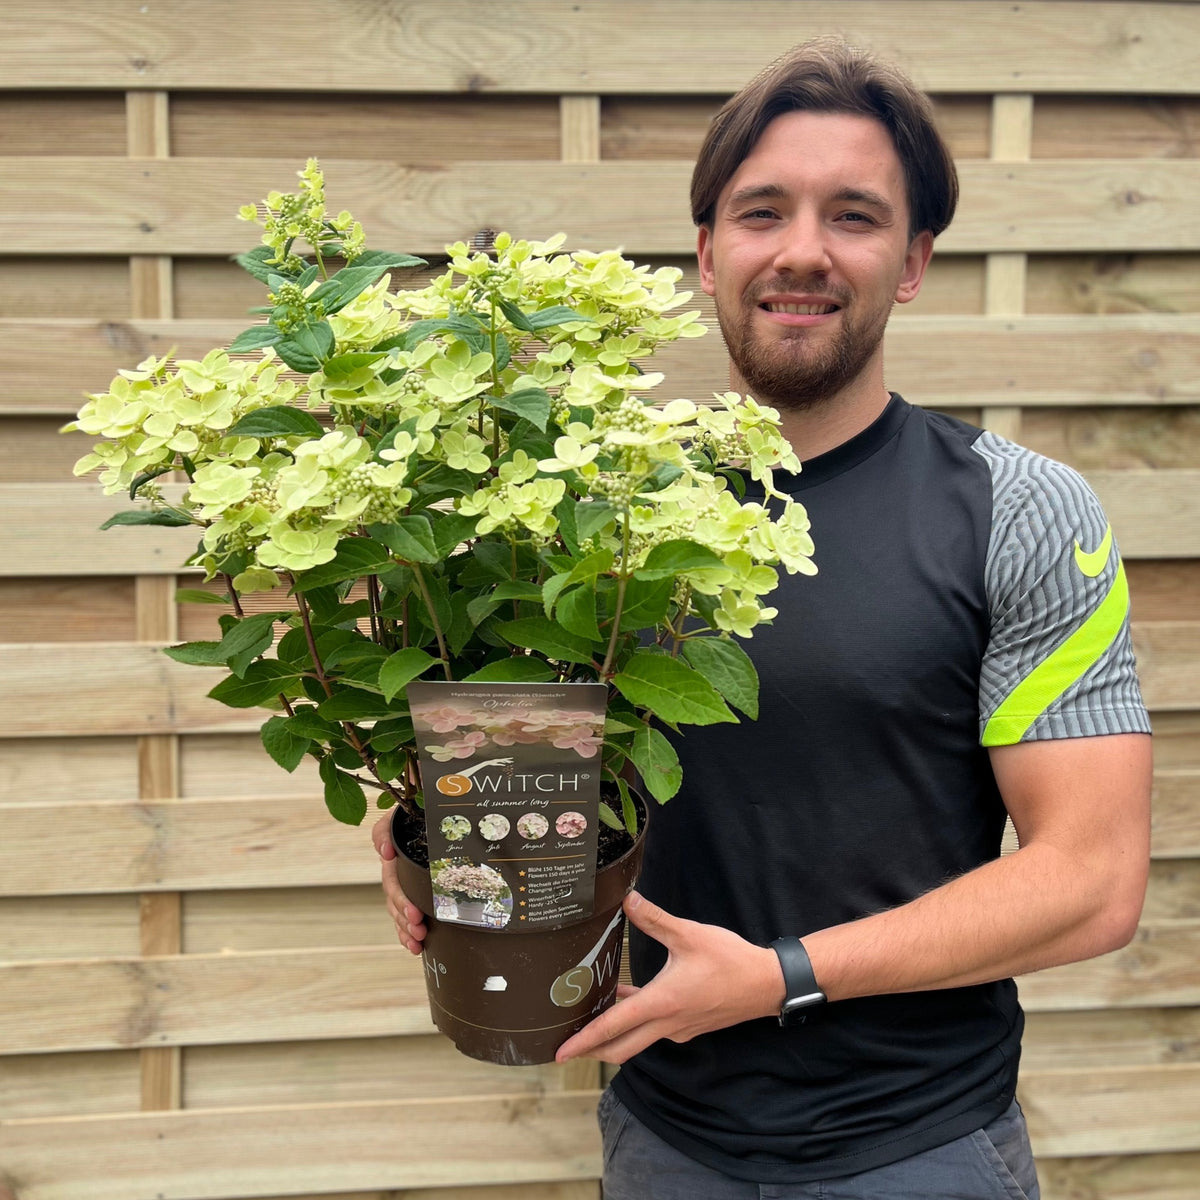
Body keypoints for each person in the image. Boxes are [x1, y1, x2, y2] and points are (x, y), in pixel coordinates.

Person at [373, 37, 1152, 1199]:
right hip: (660, 1135)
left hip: (919, 1148)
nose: (801, 251)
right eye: (761, 212)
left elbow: (1093, 880)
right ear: (704, 252)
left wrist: (782, 975)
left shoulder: (1020, 513)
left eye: (853, 216)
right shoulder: (592, 514)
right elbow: (530, 756)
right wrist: (422, 822)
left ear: (913, 262)